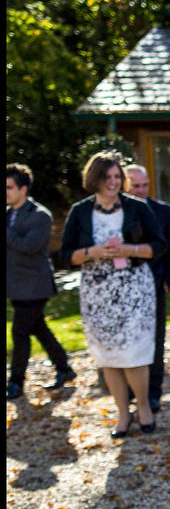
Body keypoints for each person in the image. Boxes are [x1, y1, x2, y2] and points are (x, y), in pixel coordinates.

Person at [60, 150, 165, 437]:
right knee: (108, 356)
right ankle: (122, 413)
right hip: (97, 292)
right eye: (109, 177)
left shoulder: (137, 208)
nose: (114, 182)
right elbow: (65, 255)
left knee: (134, 353)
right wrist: (91, 253)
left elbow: (159, 246)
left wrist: (130, 249)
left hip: (134, 289)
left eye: (118, 176)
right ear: (95, 179)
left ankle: (143, 407)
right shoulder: (80, 211)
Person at [6, 163, 75, 400]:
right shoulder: (8, 215)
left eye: (9, 188)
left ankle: (15, 382)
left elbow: (29, 246)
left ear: (23, 189)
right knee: (38, 328)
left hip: (35, 286)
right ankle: (64, 368)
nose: (5, 192)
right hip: (15, 285)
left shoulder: (40, 215)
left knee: (20, 332)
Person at [123, 164, 170, 414]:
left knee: (155, 340)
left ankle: (153, 393)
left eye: (144, 185)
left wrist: (169, 279)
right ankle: (128, 391)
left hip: (156, 284)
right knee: (127, 340)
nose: (140, 190)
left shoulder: (164, 212)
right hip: (124, 287)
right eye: (135, 185)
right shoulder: (119, 212)